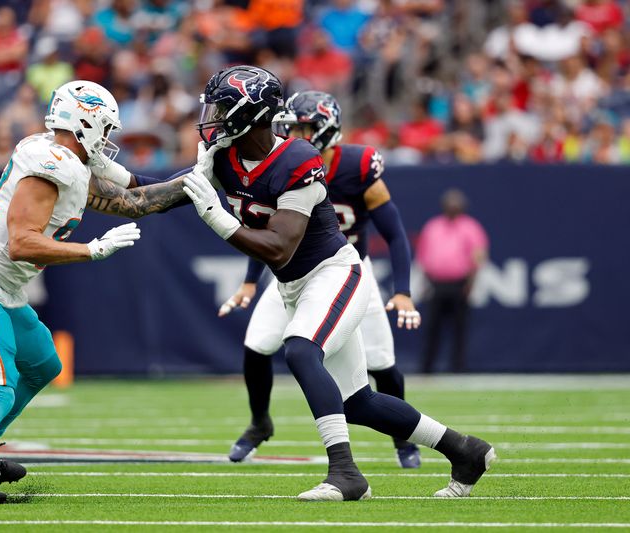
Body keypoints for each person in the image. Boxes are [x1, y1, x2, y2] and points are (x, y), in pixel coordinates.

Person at [182, 65, 495, 501]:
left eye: (221, 107)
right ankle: (466, 450)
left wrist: (216, 217)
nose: (212, 117)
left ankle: (346, 472)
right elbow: (153, 195)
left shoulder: (302, 158)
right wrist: (99, 179)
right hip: (293, 282)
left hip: (335, 271)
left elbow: (280, 244)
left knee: (302, 350)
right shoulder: (228, 157)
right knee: (357, 401)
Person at [0, 80, 189, 504]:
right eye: (106, 127)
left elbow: (138, 195)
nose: (109, 138)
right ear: (85, 123)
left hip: (2, 290)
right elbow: (21, 242)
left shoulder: (70, 158)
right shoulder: (53, 162)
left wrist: (203, 179)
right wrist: (92, 250)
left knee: (44, 364)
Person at [219, 90, 422, 468]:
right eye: (291, 126)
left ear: (327, 130)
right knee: (257, 343)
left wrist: (403, 291)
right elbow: (262, 225)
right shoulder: (281, 164)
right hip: (289, 273)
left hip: (344, 271)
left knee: (381, 363)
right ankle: (259, 423)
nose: (295, 134)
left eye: (305, 127)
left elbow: (394, 233)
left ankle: (404, 441)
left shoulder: (357, 167)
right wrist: (250, 281)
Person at [416, 189, 488, 373]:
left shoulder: (470, 227)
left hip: (459, 284)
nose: (452, 206)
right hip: (436, 284)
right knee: (432, 328)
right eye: (450, 203)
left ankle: (458, 367)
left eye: (456, 203)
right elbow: (424, 257)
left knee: (459, 329)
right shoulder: (433, 226)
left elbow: (478, 257)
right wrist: (424, 283)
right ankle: (427, 367)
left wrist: (471, 283)